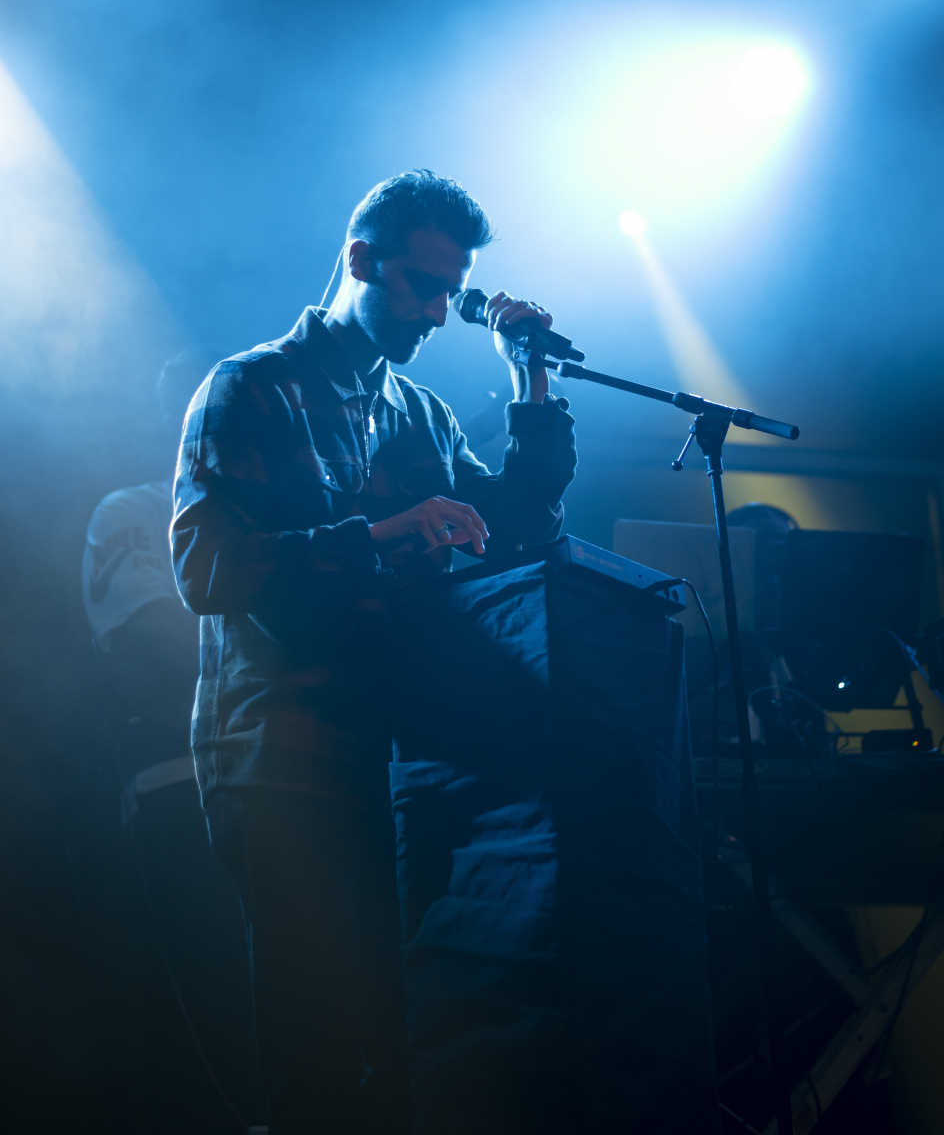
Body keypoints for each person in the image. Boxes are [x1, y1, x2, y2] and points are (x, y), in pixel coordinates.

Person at [171, 170, 578, 1134]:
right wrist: (386, 534)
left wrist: (531, 377)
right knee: (317, 1048)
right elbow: (209, 570)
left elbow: (520, 533)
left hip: (399, 768)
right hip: (288, 756)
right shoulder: (253, 385)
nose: (438, 313)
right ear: (360, 260)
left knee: (409, 1046)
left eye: (451, 292)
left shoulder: (421, 414)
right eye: (423, 285)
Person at [83, 352, 266, 1132]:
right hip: (182, 787)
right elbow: (146, 652)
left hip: (283, 782)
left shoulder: (282, 522)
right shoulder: (134, 509)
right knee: (219, 1017)